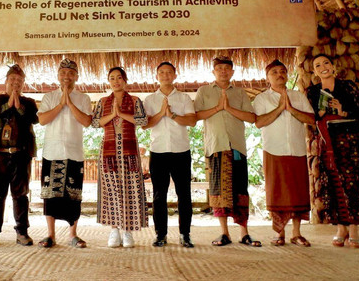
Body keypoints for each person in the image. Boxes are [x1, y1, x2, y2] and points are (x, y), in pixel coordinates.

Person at [195, 56, 261, 247]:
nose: (223, 71)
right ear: (213, 72)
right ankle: (224, 233)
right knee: (218, 192)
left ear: (232, 72)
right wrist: (218, 107)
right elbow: (196, 115)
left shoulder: (240, 93)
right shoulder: (204, 91)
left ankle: (244, 233)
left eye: (227, 68)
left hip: (237, 147)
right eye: (219, 68)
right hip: (216, 147)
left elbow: (251, 117)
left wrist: (229, 108)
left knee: (241, 190)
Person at [306, 54, 359, 248]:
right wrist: (320, 113)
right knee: (334, 183)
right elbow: (309, 117)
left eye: (326, 63)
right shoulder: (313, 91)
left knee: (351, 182)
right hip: (326, 142)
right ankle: (341, 227)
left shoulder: (347, 86)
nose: (322, 67)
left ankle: (354, 228)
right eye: (317, 65)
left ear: (333, 66)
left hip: (349, 141)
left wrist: (343, 110)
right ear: (314, 71)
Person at [253, 60, 315, 247]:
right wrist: (280, 108)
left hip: (296, 150)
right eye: (274, 72)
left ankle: (296, 234)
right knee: (277, 193)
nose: (279, 75)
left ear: (287, 75)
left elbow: (311, 119)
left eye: (282, 71)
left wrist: (291, 109)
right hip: (274, 150)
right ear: (267, 77)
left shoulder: (298, 96)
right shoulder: (262, 99)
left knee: (298, 193)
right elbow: (259, 122)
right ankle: (279, 233)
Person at [0, 64, 39, 247]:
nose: (15, 83)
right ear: (6, 81)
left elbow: (35, 119)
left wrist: (18, 106)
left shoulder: (28, 102)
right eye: (12, 80)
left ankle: (22, 232)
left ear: (23, 84)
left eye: (19, 81)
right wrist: (7, 106)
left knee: (20, 195)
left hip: (21, 155)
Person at [37, 58, 92, 248]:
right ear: (58, 76)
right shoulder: (49, 97)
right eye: (63, 73)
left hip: (74, 152)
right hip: (52, 152)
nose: (66, 76)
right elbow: (42, 120)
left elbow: (86, 121)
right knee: (49, 195)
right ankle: (50, 235)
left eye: (70, 73)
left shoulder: (83, 98)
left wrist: (70, 102)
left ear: (76, 76)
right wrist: (61, 104)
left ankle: (73, 234)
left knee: (74, 194)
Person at [92, 67, 148, 248]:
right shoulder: (102, 101)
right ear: (109, 81)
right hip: (108, 151)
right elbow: (95, 123)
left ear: (125, 80)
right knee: (111, 190)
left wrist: (120, 114)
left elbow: (142, 121)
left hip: (129, 150)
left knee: (130, 189)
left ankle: (128, 231)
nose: (115, 81)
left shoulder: (134, 100)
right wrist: (112, 114)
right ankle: (114, 230)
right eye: (112, 78)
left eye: (119, 78)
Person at [143, 62, 197, 248]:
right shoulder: (149, 99)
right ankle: (160, 235)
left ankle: (185, 234)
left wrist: (172, 115)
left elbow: (192, 121)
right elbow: (145, 124)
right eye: (161, 72)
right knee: (159, 195)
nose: (165, 75)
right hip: (158, 152)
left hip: (181, 151)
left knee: (184, 194)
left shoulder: (184, 98)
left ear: (175, 75)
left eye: (169, 72)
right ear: (157, 76)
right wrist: (161, 113)